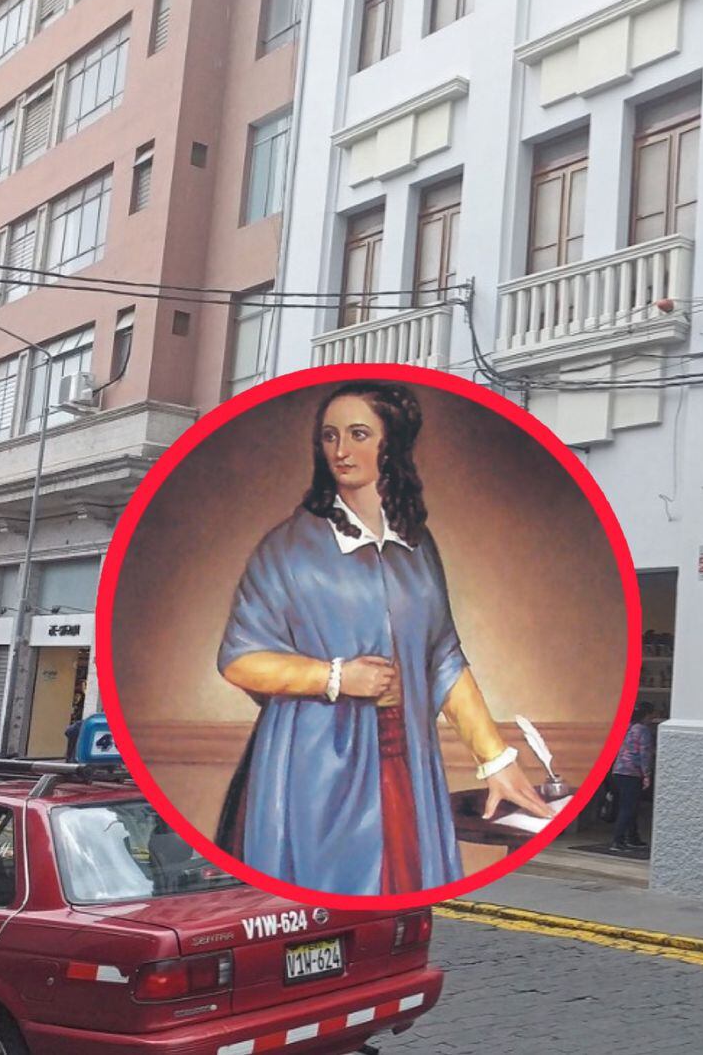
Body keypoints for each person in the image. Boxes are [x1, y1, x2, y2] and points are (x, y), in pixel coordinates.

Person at [213, 380, 552, 896]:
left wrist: (496, 762)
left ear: (390, 444)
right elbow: (239, 658)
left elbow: (443, 658)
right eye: (329, 436)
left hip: (404, 756)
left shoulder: (417, 546)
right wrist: (335, 677)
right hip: (311, 762)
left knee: (402, 892)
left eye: (358, 434)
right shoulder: (286, 548)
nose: (340, 451)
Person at [609, 701, 655, 850]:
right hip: (632, 772)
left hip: (619, 770)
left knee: (627, 805)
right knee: (629, 807)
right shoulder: (643, 730)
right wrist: (647, 774)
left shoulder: (626, 727)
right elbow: (644, 753)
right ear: (647, 715)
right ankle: (618, 840)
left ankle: (632, 836)